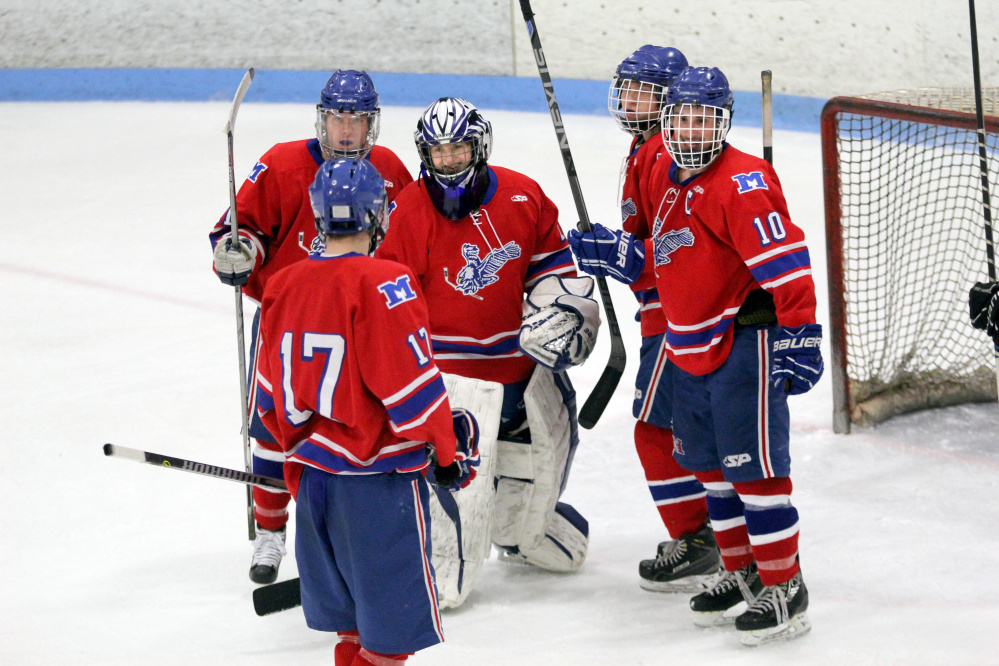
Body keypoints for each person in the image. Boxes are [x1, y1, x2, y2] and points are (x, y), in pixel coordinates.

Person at [569, 66, 819, 646]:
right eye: (681, 117)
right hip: (688, 344)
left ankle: (785, 586)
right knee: (712, 474)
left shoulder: (744, 182)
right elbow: (672, 258)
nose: (691, 128)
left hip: (741, 342)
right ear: (667, 121)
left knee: (756, 475)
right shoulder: (675, 181)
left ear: (723, 121)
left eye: (704, 117)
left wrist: (800, 333)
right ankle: (739, 574)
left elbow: (786, 263)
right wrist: (619, 255)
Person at [375, 97, 601, 606]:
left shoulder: (524, 196)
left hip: (523, 371)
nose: (449, 161)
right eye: (438, 152)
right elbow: (390, 302)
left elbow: (553, 275)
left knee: (542, 493)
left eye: (458, 149)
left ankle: (523, 530)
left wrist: (561, 312)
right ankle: (439, 568)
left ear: (479, 146)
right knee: (460, 495)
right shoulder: (407, 210)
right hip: (450, 385)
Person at [255, 157, 479, 666]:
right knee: (386, 643)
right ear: (378, 213)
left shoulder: (282, 285)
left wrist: (304, 462)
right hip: (375, 489)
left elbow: (268, 400)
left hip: (315, 485)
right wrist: (446, 452)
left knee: (352, 628)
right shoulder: (386, 283)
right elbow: (412, 392)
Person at [210, 70, 414, 584]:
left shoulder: (389, 169)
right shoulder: (281, 163)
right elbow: (237, 231)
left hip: (360, 325)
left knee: (353, 433)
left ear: (373, 124)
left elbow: (410, 236)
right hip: (289, 321)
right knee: (273, 427)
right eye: (337, 118)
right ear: (321, 119)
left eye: (358, 120)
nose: (347, 130)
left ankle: (348, 533)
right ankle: (271, 532)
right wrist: (238, 252)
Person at [603, 44, 721, 594]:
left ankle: (700, 537)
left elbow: (674, 249)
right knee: (681, 429)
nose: (630, 99)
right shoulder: (645, 148)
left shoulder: (658, 154)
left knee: (656, 431)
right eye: (626, 87)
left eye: (644, 90)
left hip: (676, 318)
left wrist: (626, 257)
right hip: (668, 311)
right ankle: (716, 534)